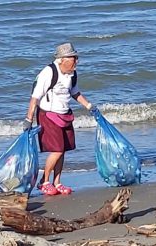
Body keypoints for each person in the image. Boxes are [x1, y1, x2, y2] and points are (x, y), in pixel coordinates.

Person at [23, 42, 97, 195]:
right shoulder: (48, 72)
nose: (76, 61)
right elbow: (35, 98)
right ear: (62, 59)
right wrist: (28, 119)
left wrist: (90, 106)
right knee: (57, 150)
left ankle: (57, 182)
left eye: (76, 58)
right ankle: (44, 181)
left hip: (65, 114)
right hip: (48, 115)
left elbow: (75, 93)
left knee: (63, 150)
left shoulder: (72, 74)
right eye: (73, 58)